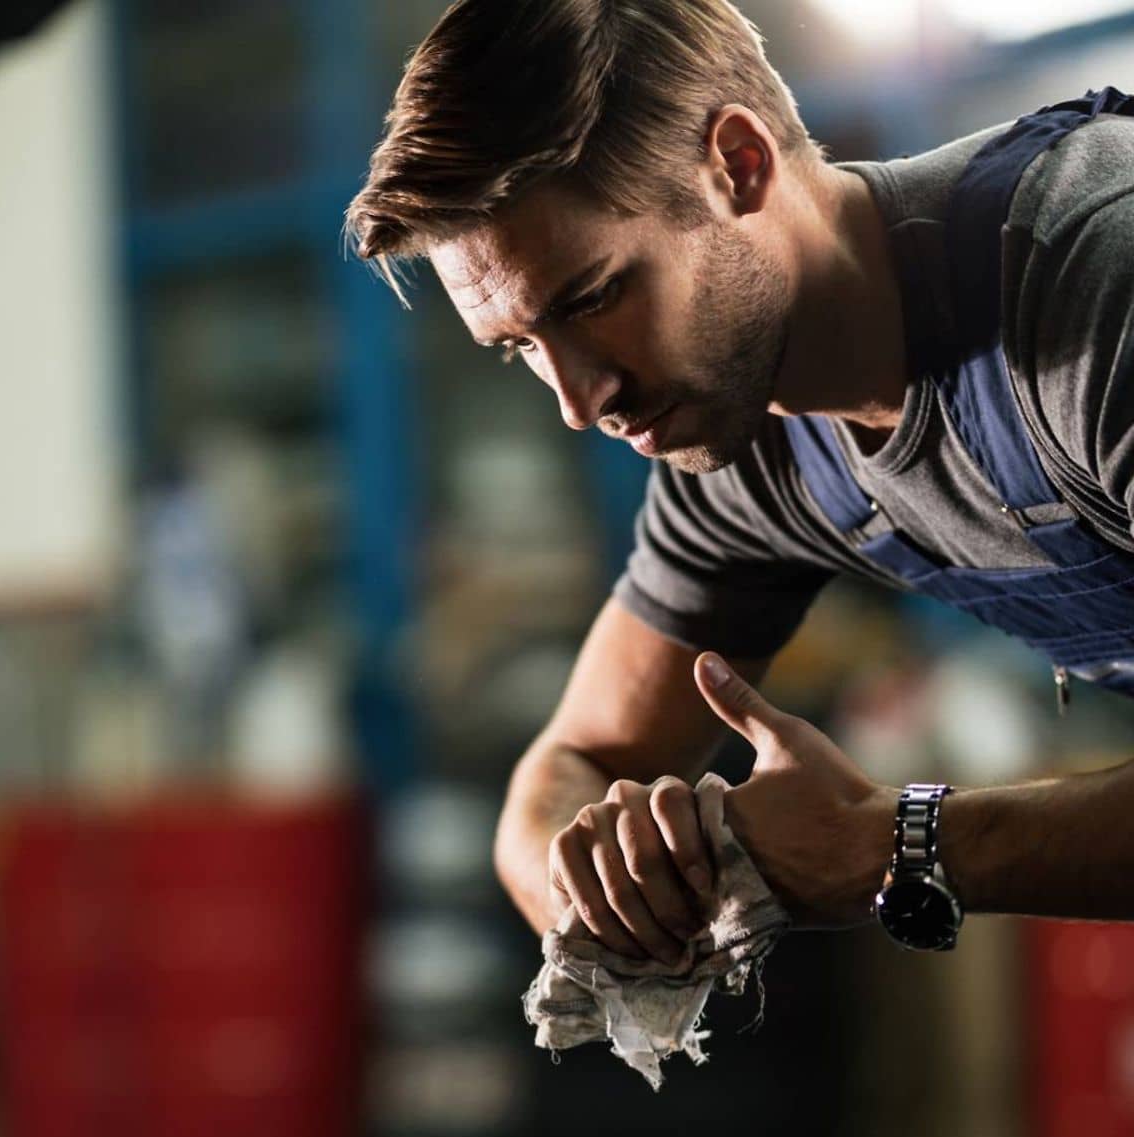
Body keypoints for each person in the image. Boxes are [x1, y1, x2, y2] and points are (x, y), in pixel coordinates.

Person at [344, 0, 1134, 960]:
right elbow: (567, 773)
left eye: (594, 297)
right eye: (521, 349)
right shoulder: (741, 443)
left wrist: (896, 842)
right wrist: (620, 881)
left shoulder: (1092, 284)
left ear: (738, 167)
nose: (580, 402)